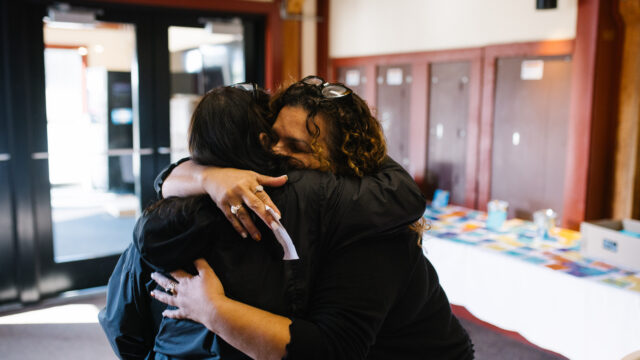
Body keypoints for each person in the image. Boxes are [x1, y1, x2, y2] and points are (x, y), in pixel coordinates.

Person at [98, 82, 450, 359]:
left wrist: (211, 309)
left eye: (296, 147)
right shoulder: (257, 200)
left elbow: (333, 349)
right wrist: (206, 177)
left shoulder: (371, 229)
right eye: (271, 139)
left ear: (343, 163)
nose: (275, 154)